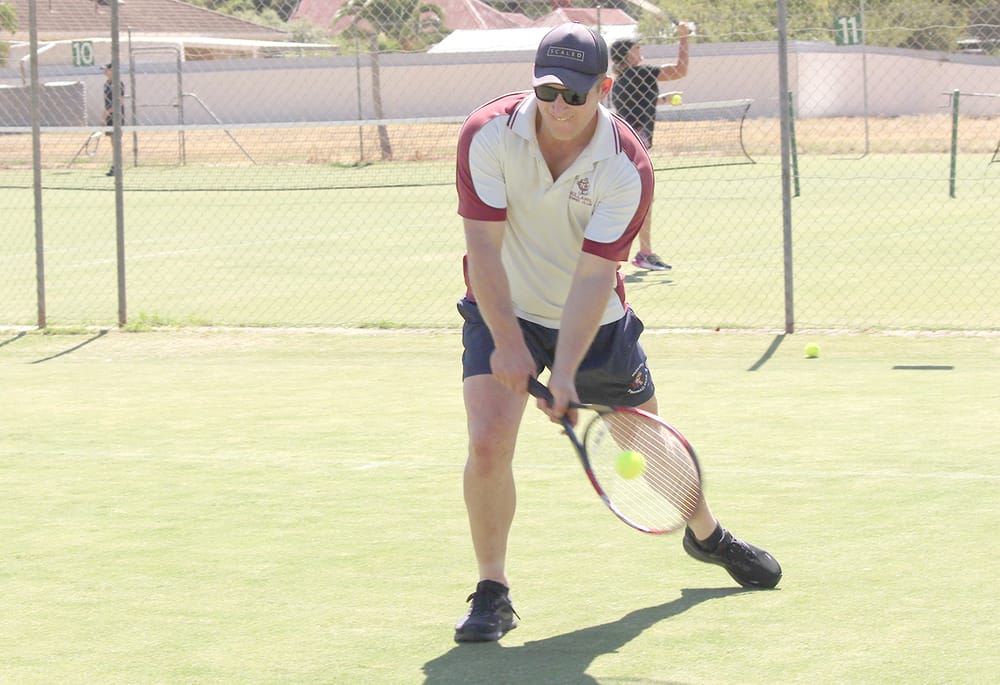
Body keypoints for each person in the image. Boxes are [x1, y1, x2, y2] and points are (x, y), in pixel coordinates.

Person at [453, 22, 781, 644]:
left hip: (593, 318)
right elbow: (483, 249)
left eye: (575, 95)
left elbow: (594, 277)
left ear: (604, 88)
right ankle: (492, 589)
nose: (558, 108)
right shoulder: (487, 134)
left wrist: (569, 373)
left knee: (652, 443)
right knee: (489, 440)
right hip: (502, 308)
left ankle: (706, 534)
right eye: (547, 91)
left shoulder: (627, 165)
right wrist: (508, 340)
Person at [610, 25, 692, 271]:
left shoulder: (623, 80)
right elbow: (680, 70)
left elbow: (638, 102)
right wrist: (684, 39)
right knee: (640, 198)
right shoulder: (641, 73)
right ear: (628, 55)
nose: (640, 49)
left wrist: (662, 100)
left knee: (641, 198)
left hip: (624, 144)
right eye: (636, 47)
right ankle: (635, 253)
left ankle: (642, 251)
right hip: (636, 145)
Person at [102, 62, 124, 176]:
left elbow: (120, 101)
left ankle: (118, 167)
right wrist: (105, 115)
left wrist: (107, 113)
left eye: (106, 69)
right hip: (109, 117)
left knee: (116, 142)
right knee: (113, 142)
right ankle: (115, 166)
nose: (104, 71)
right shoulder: (106, 84)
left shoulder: (118, 84)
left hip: (117, 116)